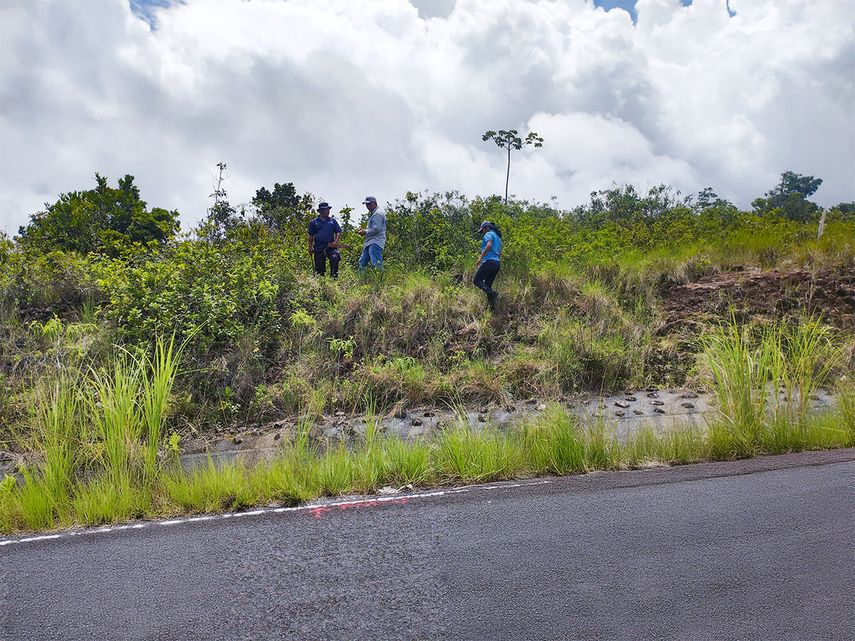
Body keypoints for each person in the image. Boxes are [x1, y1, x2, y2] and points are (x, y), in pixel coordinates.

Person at [307, 202, 342, 277]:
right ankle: (321, 282)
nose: (328, 211)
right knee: (319, 269)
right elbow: (310, 235)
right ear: (321, 211)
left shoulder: (332, 221)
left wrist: (336, 242)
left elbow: (338, 231)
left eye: (328, 209)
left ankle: (334, 278)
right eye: (326, 210)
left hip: (330, 246)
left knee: (335, 258)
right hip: (319, 246)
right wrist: (310, 247)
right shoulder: (314, 222)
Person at [474, 220, 502, 310]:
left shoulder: (488, 234)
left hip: (489, 262)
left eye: (483, 230)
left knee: (476, 280)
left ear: (486, 228)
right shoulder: (498, 237)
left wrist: (480, 258)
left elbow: (489, 245)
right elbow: (499, 252)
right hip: (497, 263)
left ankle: (494, 294)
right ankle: (492, 308)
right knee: (488, 286)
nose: (483, 232)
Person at [357, 195, 386, 271]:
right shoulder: (373, 214)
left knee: (376, 262)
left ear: (375, 203)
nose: (368, 206)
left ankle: (380, 281)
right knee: (362, 262)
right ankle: (362, 281)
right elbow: (373, 228)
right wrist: (364, 231)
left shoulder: (377, 213)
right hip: (370, 242)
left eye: (369, 204)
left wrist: (365, 232)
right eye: (366, 204)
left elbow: (377, 228)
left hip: (375, 241)